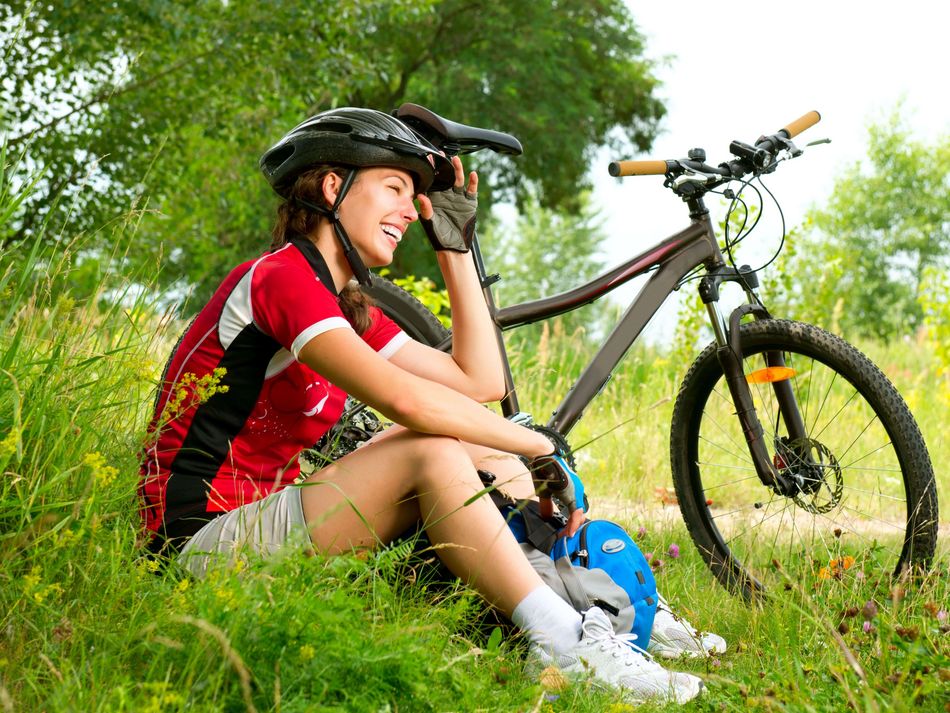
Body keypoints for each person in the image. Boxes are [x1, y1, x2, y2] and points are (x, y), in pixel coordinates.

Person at [138, 107, 716, 704]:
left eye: (414, 198)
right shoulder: (280, 279)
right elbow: (406, 401)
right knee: (437, 449)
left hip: (267, 523)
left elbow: (479, 379)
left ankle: (604, 599)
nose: (409, 212)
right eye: (394, 188)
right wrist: (541, 447)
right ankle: (566, 644)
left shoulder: (345, 305)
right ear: (333, 187)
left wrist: (455, 248)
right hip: (197, 546)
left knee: (487, 439)